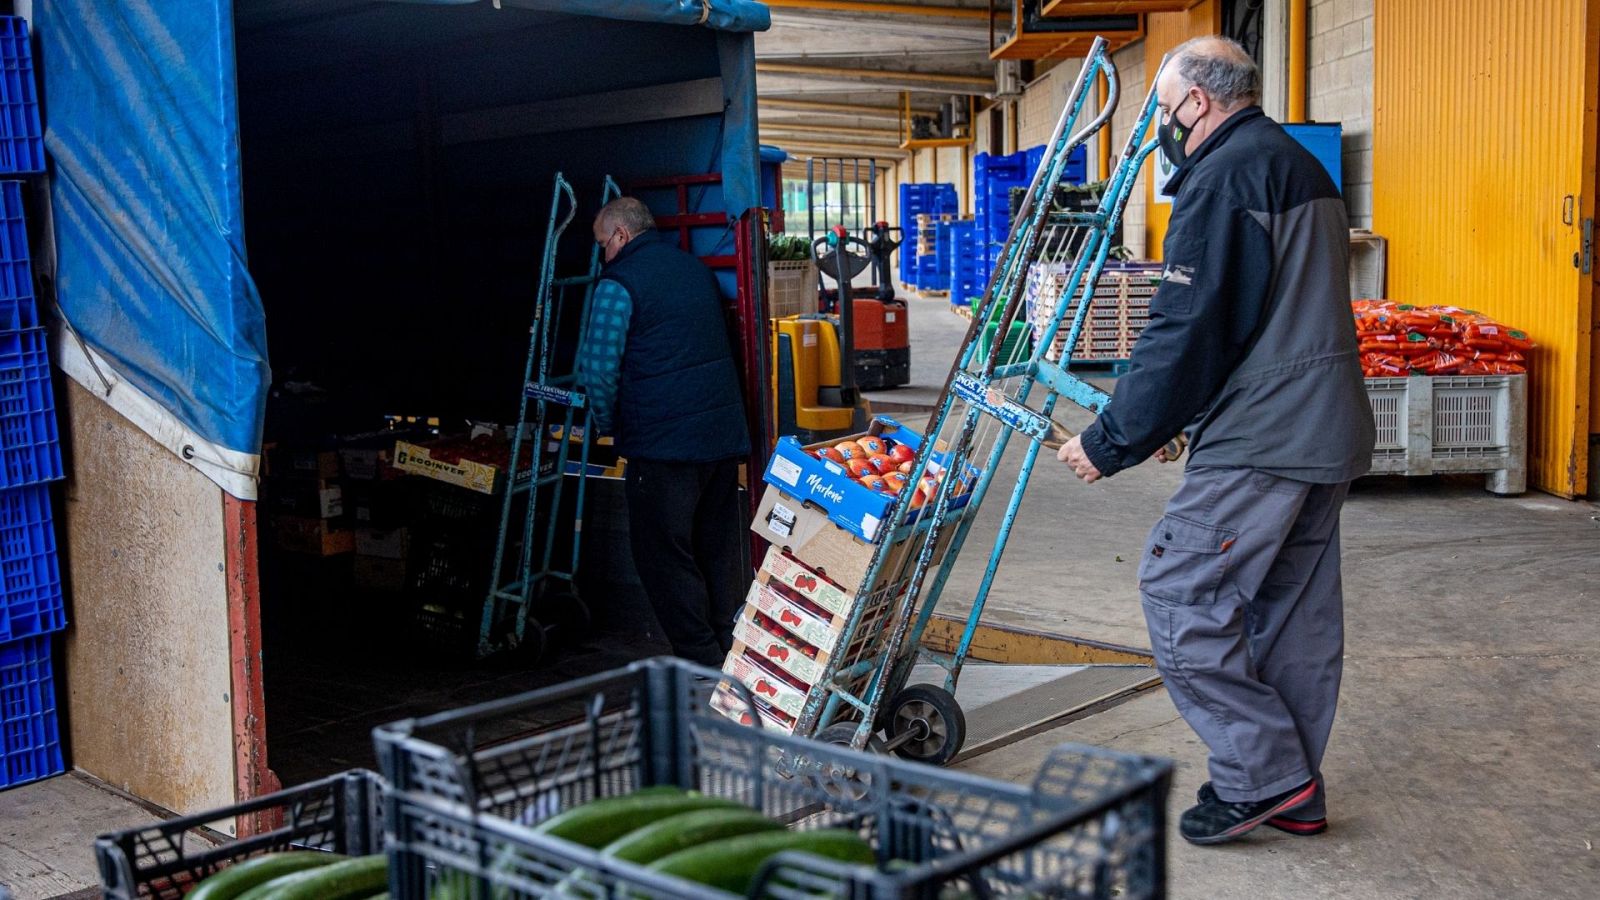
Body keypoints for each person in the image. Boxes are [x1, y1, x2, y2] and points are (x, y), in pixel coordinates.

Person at [1056, 36, 1376, 846]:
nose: (1166, 126)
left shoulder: (1224, 175)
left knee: (1180, 593)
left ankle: (1262, 776)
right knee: (1290, 614)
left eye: (1165, 110)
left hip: (1265, 436)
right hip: (1324, 425)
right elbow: (1263, 315)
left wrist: (1116, 436)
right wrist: (1183, 421)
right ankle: (1294, 791)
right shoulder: (1297, 165)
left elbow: (1191, 325)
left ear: (1196, 102)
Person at [576, 196, 751, 667]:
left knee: (662, 556)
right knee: (714, 549)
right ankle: (728, 649)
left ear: (620, 236)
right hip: (718, 440)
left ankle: (699, 662)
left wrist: (610, 426)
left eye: (601, 244)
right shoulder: (695, 271)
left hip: (662, 446)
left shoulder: (618, 285)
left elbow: (597, 370)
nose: (602, 255)